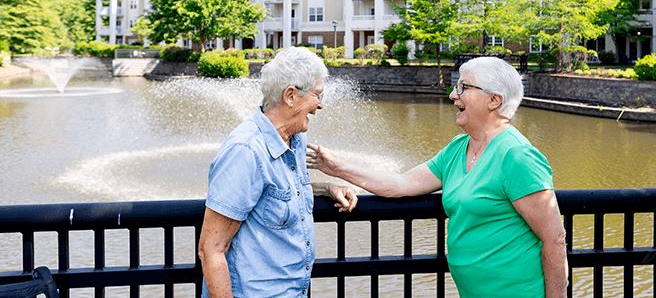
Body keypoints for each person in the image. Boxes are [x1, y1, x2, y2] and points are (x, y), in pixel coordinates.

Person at [307, 56, 568, 298]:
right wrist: (337, 168)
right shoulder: (458, 149)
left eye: (464, 87)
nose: (453, 95)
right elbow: (401, 184)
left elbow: (554, 239)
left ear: (493, 100)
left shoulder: (517, 156)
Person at [198, 47, 358, 298]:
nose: (321, 105)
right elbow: (211, 249)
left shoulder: (295, 139)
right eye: (318, 95)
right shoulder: (245, 150)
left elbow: (275, 191)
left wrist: (326, 188)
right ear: (291, 96)